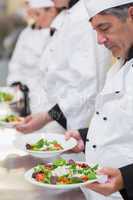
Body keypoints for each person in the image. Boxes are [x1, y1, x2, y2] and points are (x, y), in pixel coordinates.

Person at [65, 0, 133, 199]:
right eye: (95, 30)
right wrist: (85, 136)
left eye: (104, 28)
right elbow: (120, 125)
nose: (99, 40)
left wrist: (127, 178)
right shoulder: (121, 64)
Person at [15, 0, 111, 134]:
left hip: (72, 123)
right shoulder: (70, 15)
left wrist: (47, 117)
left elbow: (86, 87)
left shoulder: (83, 18)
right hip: (55, 115)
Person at [7, 0, 65, 117]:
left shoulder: (61, 34)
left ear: (53, 11)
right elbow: (15, 64)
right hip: (23, 100)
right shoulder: (26, 33)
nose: (35, 19)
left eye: (37, 14)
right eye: (32, 14)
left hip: (51, 107)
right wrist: (16, 84)